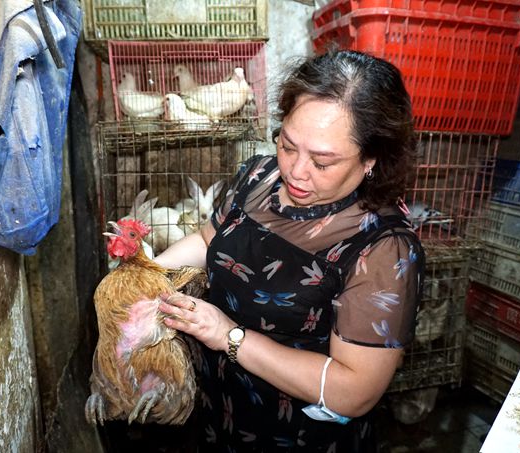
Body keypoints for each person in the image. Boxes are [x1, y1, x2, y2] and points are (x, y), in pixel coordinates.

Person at [155, 49, 425, 452]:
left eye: (323, 161)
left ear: (371, 158)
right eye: (288, 144)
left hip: (297, 436)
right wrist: (144, 272)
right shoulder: (258, 176)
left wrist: (226, 335)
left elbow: (354, 391)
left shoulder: (383, 249)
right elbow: (211, 239)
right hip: (220, 410)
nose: (297, 171)